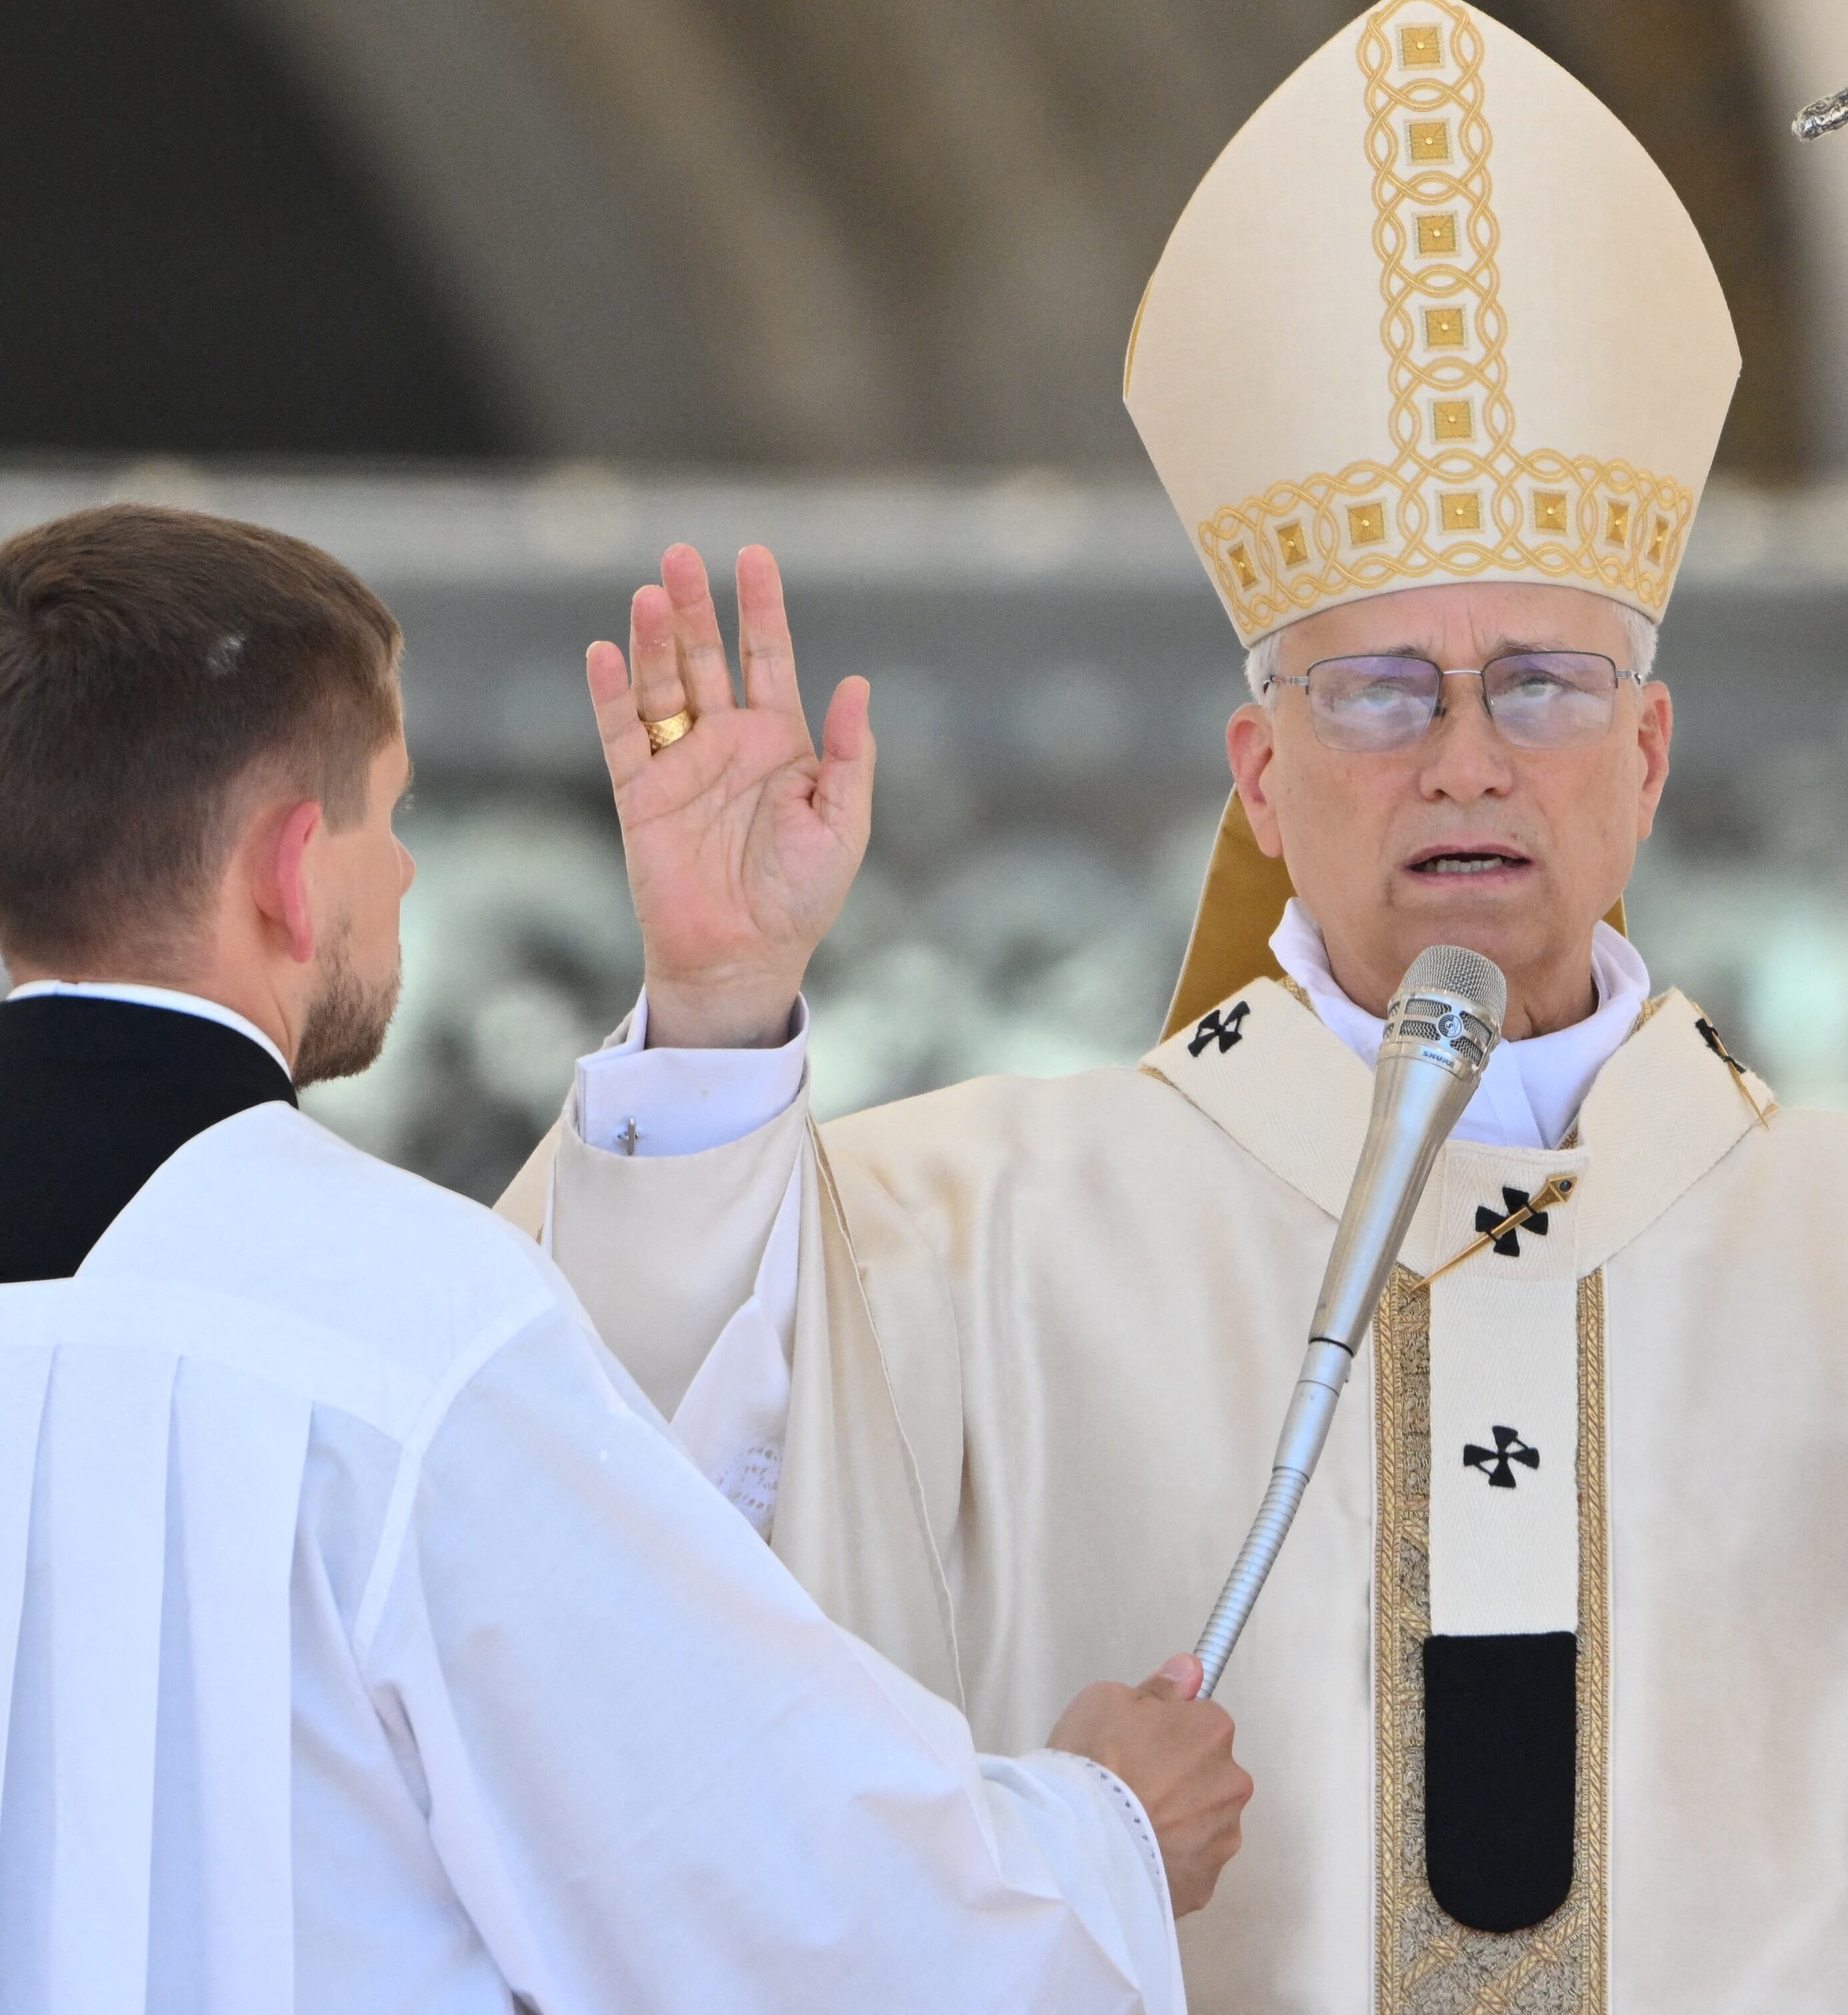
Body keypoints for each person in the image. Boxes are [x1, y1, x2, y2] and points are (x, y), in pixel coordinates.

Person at [501, 0, 1848, 2011]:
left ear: (1643, 763)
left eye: (1539, 687)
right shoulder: (970, 1240)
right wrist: (707, 1010)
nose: (1464, 755)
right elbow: (604, 1549)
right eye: (1378, 689)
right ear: (1259, 780)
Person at [0, 504, 1246, 2010]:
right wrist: (1099, 1834)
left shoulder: (376, 1319)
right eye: (385, 818)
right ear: (284, 869)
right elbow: (763, 1900)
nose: (399, 877)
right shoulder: (388, 1322)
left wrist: (714, 996)